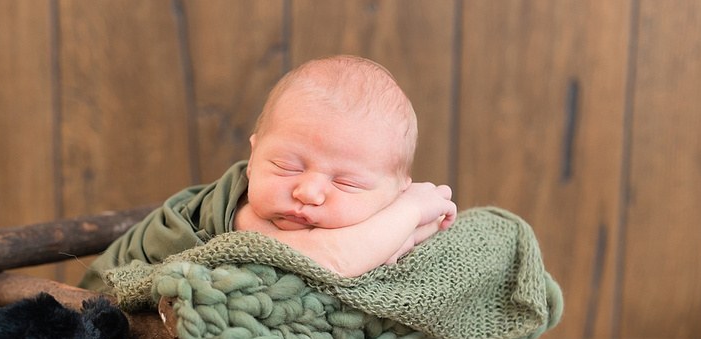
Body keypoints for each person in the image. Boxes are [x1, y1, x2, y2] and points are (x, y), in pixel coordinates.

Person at [79, 55, 455, 290]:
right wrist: (410, 215)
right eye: (285, 166)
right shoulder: (245, 215)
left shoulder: (359, 203)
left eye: (346, 182)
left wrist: (402, 228)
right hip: (103, 314)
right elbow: (331, 260)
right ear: (255, 153)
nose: (307, 191)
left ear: (394, 190)